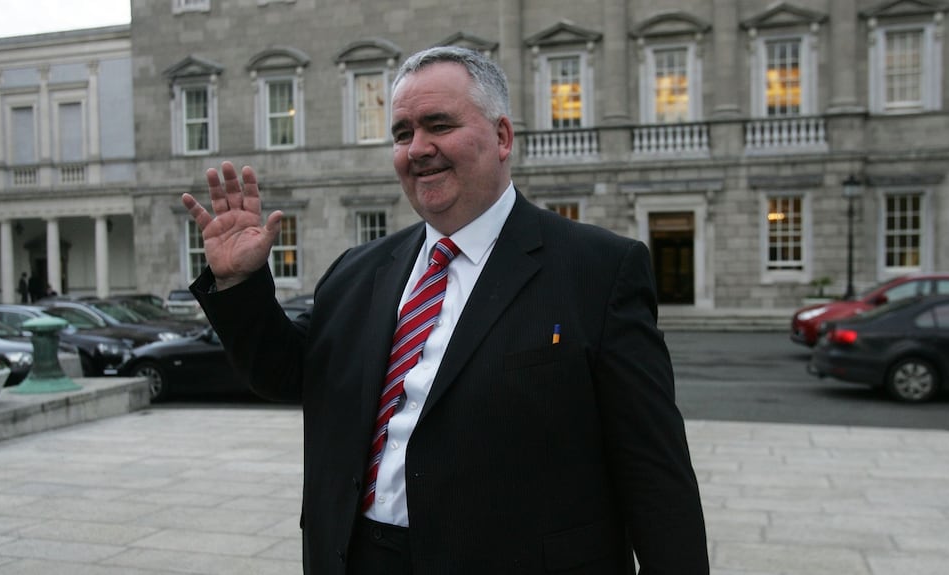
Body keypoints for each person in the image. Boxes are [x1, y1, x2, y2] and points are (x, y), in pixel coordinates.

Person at [184, 46, 708, 574]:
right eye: (403, 133)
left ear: (502, 137)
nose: (418, 149)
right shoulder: (357, 270)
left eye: (438, 125)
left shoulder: (599, 269)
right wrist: (239, 281)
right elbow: (288, 374)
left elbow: (655, 476)